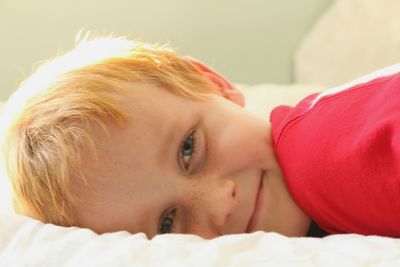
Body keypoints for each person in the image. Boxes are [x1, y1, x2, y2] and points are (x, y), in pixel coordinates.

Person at [1, 35, 399, 239]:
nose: (219, 201)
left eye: (189, 148)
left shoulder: (320, 151)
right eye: (169, 222)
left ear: (212, 83)